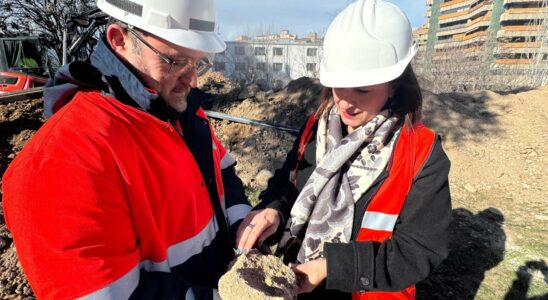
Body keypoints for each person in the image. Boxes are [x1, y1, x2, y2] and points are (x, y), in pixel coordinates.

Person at [2, 0, 251, 298]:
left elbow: (222, 173)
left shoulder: (183, 113)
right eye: (174, 61)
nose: (192, 80)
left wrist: (243, 225)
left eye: (197, 63)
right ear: (119, 40)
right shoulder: (64, 158)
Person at [236, 0, 452, 299]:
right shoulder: (317, 126)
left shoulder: (422, 153)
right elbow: (288, 182)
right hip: (298, 285)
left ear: (394, 84)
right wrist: (274, 209)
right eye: (338, 87)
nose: (345, 103)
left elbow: (418, 250)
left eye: (363, 90)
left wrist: (331, 267)